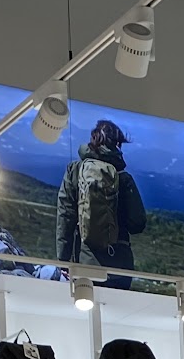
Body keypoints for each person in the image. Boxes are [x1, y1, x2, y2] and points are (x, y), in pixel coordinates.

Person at [56, 120, 147, 288]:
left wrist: (63, 261)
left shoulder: (74, 171)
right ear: (117, 144)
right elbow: (138, 223)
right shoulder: (124, 178)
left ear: (93, 140)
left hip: (85, 264)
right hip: (120, 267)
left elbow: (65, 218)